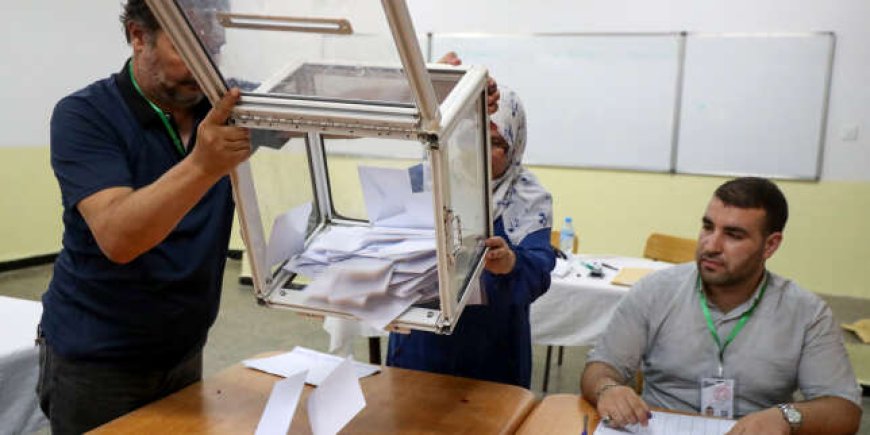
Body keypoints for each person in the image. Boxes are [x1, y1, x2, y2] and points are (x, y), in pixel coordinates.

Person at [36, 1, 251, 433]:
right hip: (96, 360)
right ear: (138, 36)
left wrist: (422, 88)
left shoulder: (223, 103)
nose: (203, 68)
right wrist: (202, 166)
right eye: (188, 51)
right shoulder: (84, 114)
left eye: (214, 51)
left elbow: (323, 106)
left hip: (183, 347)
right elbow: (119, 237)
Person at [580, 177, 862, 434]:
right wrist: (608, 388)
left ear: (770, 245)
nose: (711, 245)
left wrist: (786, 416)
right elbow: (600, 367)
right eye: (707, 227)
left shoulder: (806, 313)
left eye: (733, 235)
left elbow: (845, 411)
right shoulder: (655, 291)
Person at [387, 87, 556, 388]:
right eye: (469, 136)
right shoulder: (423, 181)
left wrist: (511, 263)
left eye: (494, 142)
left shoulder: (529, 198)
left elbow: (540, 271)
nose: (477, 150)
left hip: (491, 353)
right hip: (421, 344)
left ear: (515, 145)